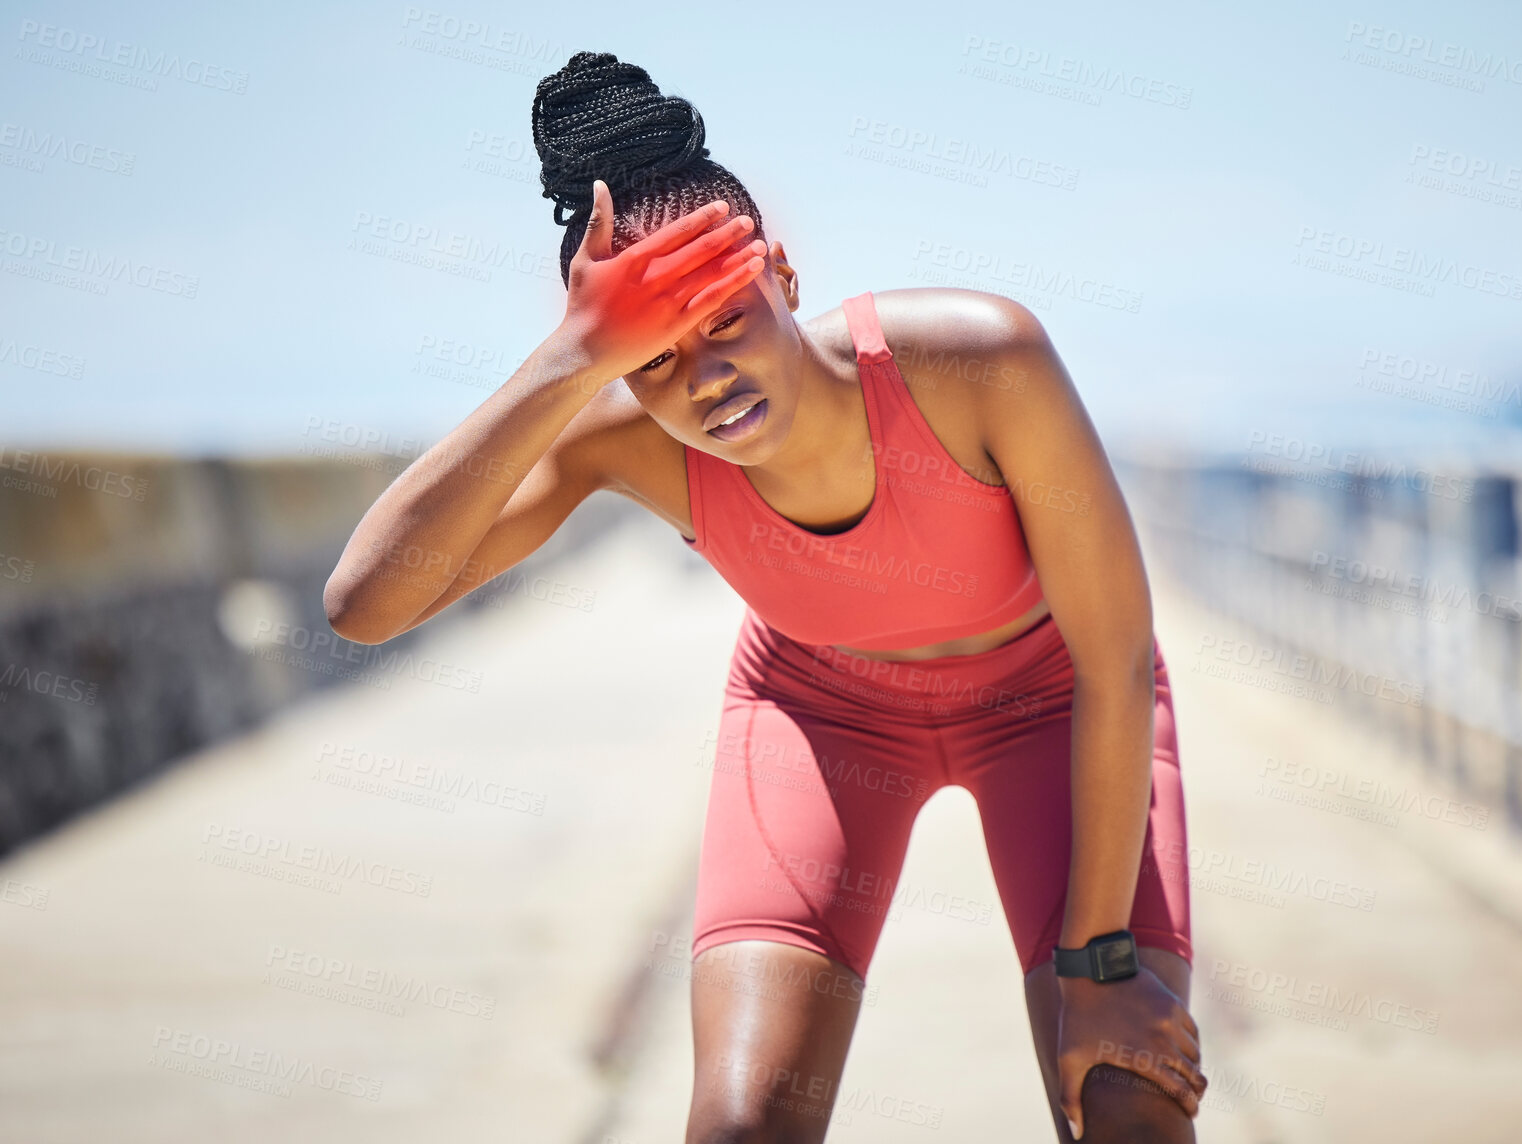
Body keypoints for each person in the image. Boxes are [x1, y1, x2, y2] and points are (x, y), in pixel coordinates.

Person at [324, 49, 1202, 1144]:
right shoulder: (622, 438)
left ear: (782, 276)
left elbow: (1116, 658)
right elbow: (363, 603)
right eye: (650, 359)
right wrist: (570, 362)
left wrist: (1103, 965)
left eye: (725, 318)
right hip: (818, 717)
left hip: (1050, 705)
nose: (702, 380)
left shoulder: (980, 359)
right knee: (741, 1126)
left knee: (1124, 1104)